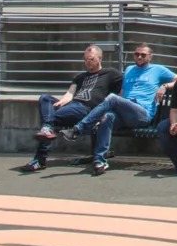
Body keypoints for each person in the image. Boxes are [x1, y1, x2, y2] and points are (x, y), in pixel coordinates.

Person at [72, 43, 177, 175]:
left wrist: (165, 86)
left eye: (143, 55)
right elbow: (122, 93)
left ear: (150, 57)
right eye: (136, 54)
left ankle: (79, 128)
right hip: (125, 112)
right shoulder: (129, 70)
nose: (139, 57)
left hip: (142, 114)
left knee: (112, 98)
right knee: (107, 117)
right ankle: (100, 161)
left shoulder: (158, 70)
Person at [21, 44, 122, 172]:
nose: (87, 62)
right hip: (73, 106)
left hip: (87, 110)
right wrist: (60, 103)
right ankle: (47, 128)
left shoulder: (111, 73)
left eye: (91, 59)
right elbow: (69, 94)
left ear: (100, 58)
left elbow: (122, 92)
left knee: (49, 120)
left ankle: (40, 158)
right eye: (85, 59)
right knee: (45, 98)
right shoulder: (79, 77)